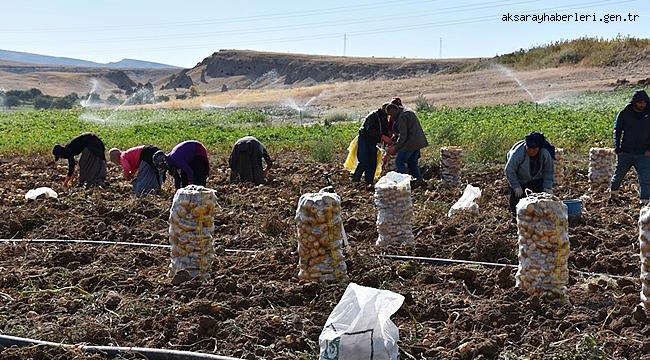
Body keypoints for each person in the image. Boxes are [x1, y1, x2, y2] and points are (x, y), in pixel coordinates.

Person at [610, 89, 650, 204]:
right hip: (626, 152)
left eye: (644, 102)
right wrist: (617, 148)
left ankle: (645, 203)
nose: (642, 105)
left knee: (646, 179)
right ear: (634, 102)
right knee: (618, 176)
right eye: (639, 102)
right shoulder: (624, 113)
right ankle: (613, 196)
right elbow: (617, 131)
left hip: (643, 154)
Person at [505, 131, 555, 215]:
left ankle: (537, 215)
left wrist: (548, 187)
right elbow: (509, 170)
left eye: (534, 149)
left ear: (538, 148)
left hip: (535, 176)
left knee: (539, 197)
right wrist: (516, 185)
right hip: (519, 176)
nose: (531, 151)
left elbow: (548, 171)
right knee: (517, 197)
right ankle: (516, 215)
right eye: (529, 148)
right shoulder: (517, 153)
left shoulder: (544, 154)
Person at [385, 102, 429, 181]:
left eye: (391, 114)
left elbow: (403, 136)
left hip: (410, 143)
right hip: (417, 142)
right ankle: (419, 181)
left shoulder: (402, 116)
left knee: (399, 162)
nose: (391, 117)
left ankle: (404, 182)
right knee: (412, 163)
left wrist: (395, 148)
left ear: (395, 110)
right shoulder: (407, 111)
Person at [353, 103, 391, 185]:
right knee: (364, 161)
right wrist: (382, 136)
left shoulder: (384, 118)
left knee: (372, 162)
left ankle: (369, 181)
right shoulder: (373, 116)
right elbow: (369, 130)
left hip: (373, 142)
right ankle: (355, 181)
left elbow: (385, 130)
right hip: (365, 139)